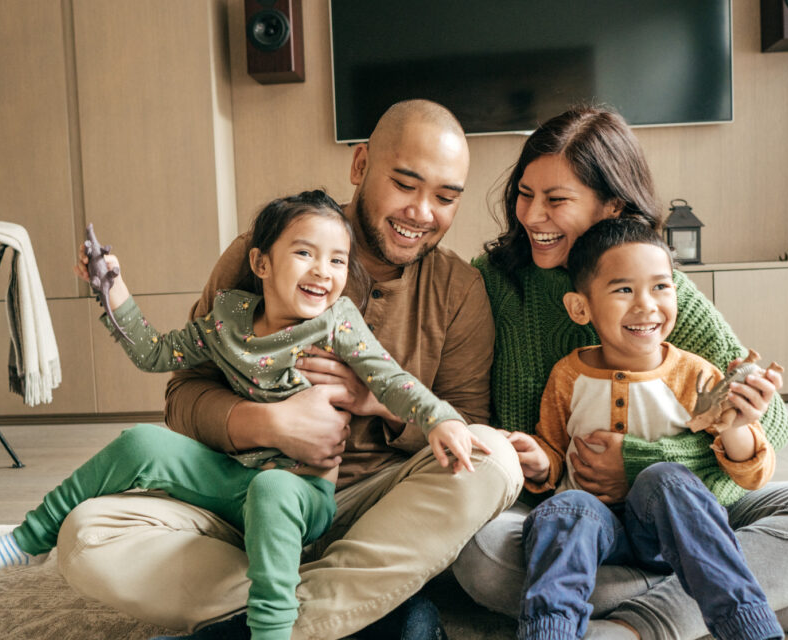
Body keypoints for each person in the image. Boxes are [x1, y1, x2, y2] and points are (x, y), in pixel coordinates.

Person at [51, 100, 524, 640]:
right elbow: (182, 395)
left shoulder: (459, 291)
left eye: (445, 197)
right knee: (87, 536)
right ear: (360, 165)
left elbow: (466, 422)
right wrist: (268, 425)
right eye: (405, 184)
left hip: (370, 512)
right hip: (243, 501)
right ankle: (360, 613)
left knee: (494, 459)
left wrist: (374, 401)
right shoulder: (263, 252)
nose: (421, 212)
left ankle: (255, 623)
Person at [0, 190, 492, 640]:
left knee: (274, 491)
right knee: (140, 442)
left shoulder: (337, 323)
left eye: (337, 261)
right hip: (233, 481)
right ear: (261, 263)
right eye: (305, 254)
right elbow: (158, 354)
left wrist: (441, 418)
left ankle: (271, 631)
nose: (323, 272)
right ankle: (25, 541)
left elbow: (390, 378)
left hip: (301, 494)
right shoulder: (229, 318)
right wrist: (113, 291)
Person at [453, 104, 788, 640]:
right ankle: (776, 597)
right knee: (480, 560)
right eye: (524, 193)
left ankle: (635, 627)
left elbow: (772, 430)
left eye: (556, 200)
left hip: (682, 505)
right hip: (567, 518)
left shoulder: (661, 292)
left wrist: (640, 462)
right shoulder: (494, 282)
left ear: (612, 207)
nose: (531, 216)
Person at [513, 217, 783, 640]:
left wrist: (739, 426)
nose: (646, 305)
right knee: (566, 510)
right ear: (580, 308)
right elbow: (552, 448)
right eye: (624, 290)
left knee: (667, 479)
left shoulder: (695, 376)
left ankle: (751, 628)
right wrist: (537, 462)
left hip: (670, 533)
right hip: (595, 534)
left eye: (661, 286)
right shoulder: (568, 375)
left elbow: (752, 474)